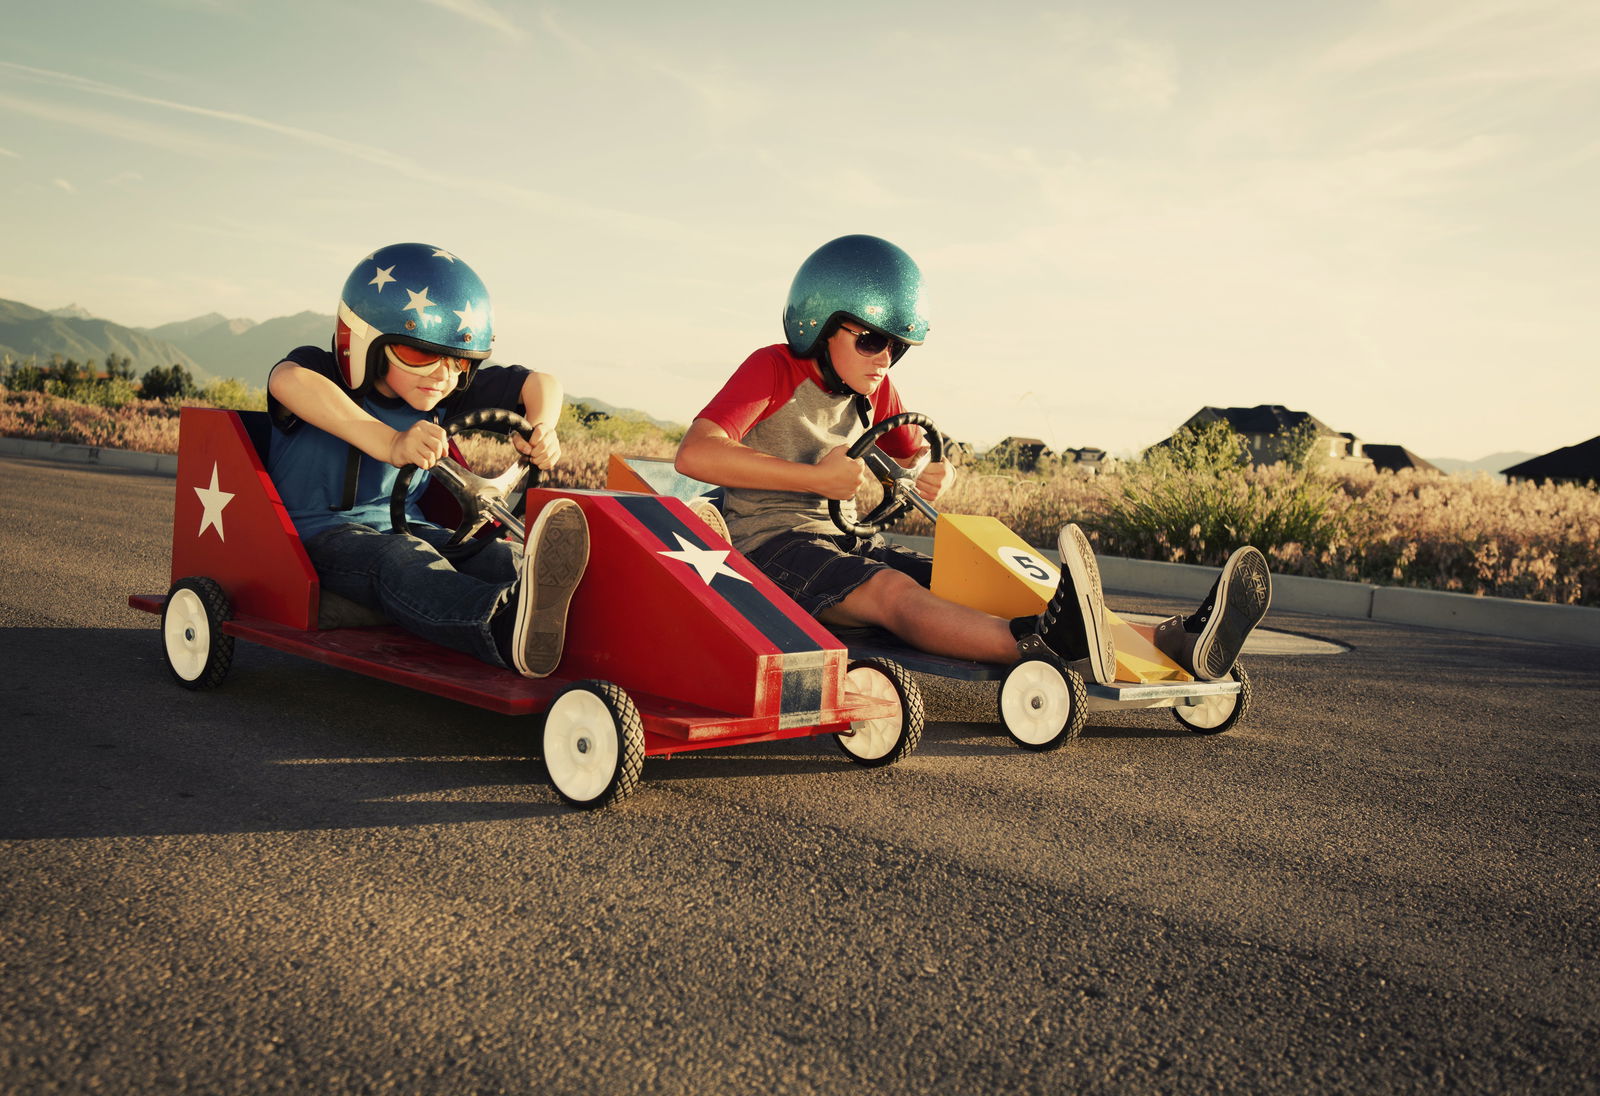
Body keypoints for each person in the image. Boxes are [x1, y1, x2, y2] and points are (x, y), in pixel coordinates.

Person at [674, 233, 1270, 683]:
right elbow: (695, 454)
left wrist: (938, 474)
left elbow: (924, 452)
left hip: (843, 539)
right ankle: (1038, 645)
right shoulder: (772, 369)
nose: (885, 358)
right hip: (768, 551)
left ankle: (1177, 640)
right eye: (872, 340)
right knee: (891, 595)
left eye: (898, 347)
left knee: (977, 582)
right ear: (819, 322)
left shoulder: (875, 389)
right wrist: (813, 478)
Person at [265, 242, 588, 678]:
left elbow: (541, 382)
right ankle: (500, 626)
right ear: (367, 344)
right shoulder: (319, 372)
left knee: (497, 557)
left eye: (458, 361)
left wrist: (542, 427)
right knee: (403, 559)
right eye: (420, 354)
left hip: (406, 525)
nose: (443, 375)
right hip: (319, 536)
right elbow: (287, 380)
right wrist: (390, 442)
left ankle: (581, 624)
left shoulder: (441, 390)